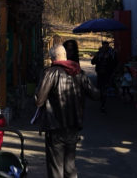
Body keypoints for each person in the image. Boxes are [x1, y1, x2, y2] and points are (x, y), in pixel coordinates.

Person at [35, 45, 99, 178]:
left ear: (52, 58)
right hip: (74, 126)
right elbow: (95, 94)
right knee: (70, 166)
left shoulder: (50, 73)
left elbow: (39, 100)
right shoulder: (79, 72)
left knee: (56, 168)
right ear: (65, 55)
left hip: (55, 127)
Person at [91, 41, 117, 112]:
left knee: (105, 88)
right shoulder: (99, 53)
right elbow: (92, 62)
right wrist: (97, 57)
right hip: (100, 73)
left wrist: (109, 59)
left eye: (106, 46)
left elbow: (115, 63)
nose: (105, 47)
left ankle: (103, 104)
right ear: (102, 46)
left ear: (108, 46)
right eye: (104, 46)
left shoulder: (112, 53)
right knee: (100, 88)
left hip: (108, 73)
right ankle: (102, 100)